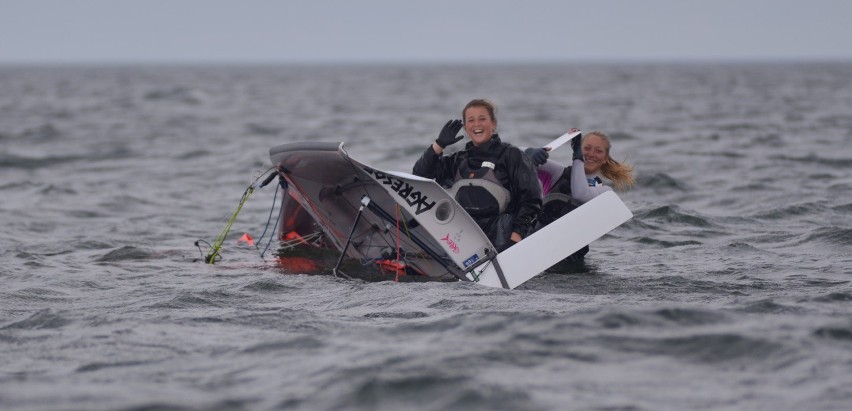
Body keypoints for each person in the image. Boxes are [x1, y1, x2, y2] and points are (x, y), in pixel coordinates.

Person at [413, 99, 542, 252]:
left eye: (482, 119)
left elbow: (531, 201)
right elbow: (420, 174)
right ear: (466, 128)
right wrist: (439, 144)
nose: (477, 124)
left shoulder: (512, 155)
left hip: (504, 239)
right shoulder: (458, 160)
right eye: (471, 120)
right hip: (465, 240)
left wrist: (515, 239)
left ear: (493, 123)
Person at [524, 130, 635, 260]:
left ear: (605, 159)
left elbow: (580, 194)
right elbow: (511, 159)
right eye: (587, 148)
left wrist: (578, 159)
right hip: (535, 241)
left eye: (598, 151)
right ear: (578, 148)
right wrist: (528, 154)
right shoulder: (558, 173)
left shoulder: (604, 192)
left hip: (570, 257)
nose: (591, 154)